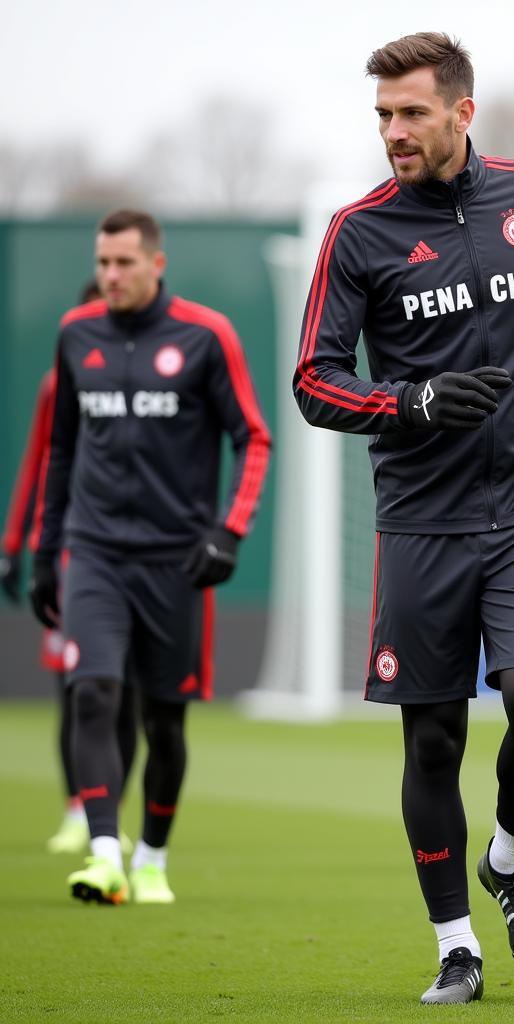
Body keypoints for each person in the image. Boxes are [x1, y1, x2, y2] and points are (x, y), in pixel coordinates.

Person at [293, 33, 514, 1005]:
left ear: (462, 112)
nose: (394, 131)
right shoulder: (358, 232)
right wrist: (411, 402)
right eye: (382, 116)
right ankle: (455, 948)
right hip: (420, 519)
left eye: (412, 113)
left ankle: (511, 858)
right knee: (431, 742)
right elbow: (315, 380)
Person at [28, 209, 271, 906]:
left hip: (177, 561)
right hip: (95, 552)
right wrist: (48, 553)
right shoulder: (76, 335)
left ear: (156, 264)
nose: (110, 276)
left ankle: (154, 856)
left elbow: (252, 437)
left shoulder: (205, 335)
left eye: (124, 263)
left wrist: (229, 531)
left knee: (164, 721)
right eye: (102, 263)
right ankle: (105, 853)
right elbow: (62, 450)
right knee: (94, 693)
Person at [2, 281, 138, 857]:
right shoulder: (60, 381)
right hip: (74, 553)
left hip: (141, 557)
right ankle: (76, 810)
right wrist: (15, 545)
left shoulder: (160, 374)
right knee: (79, 689)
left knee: (127, 692)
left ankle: (110, 811)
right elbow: (40, 459)